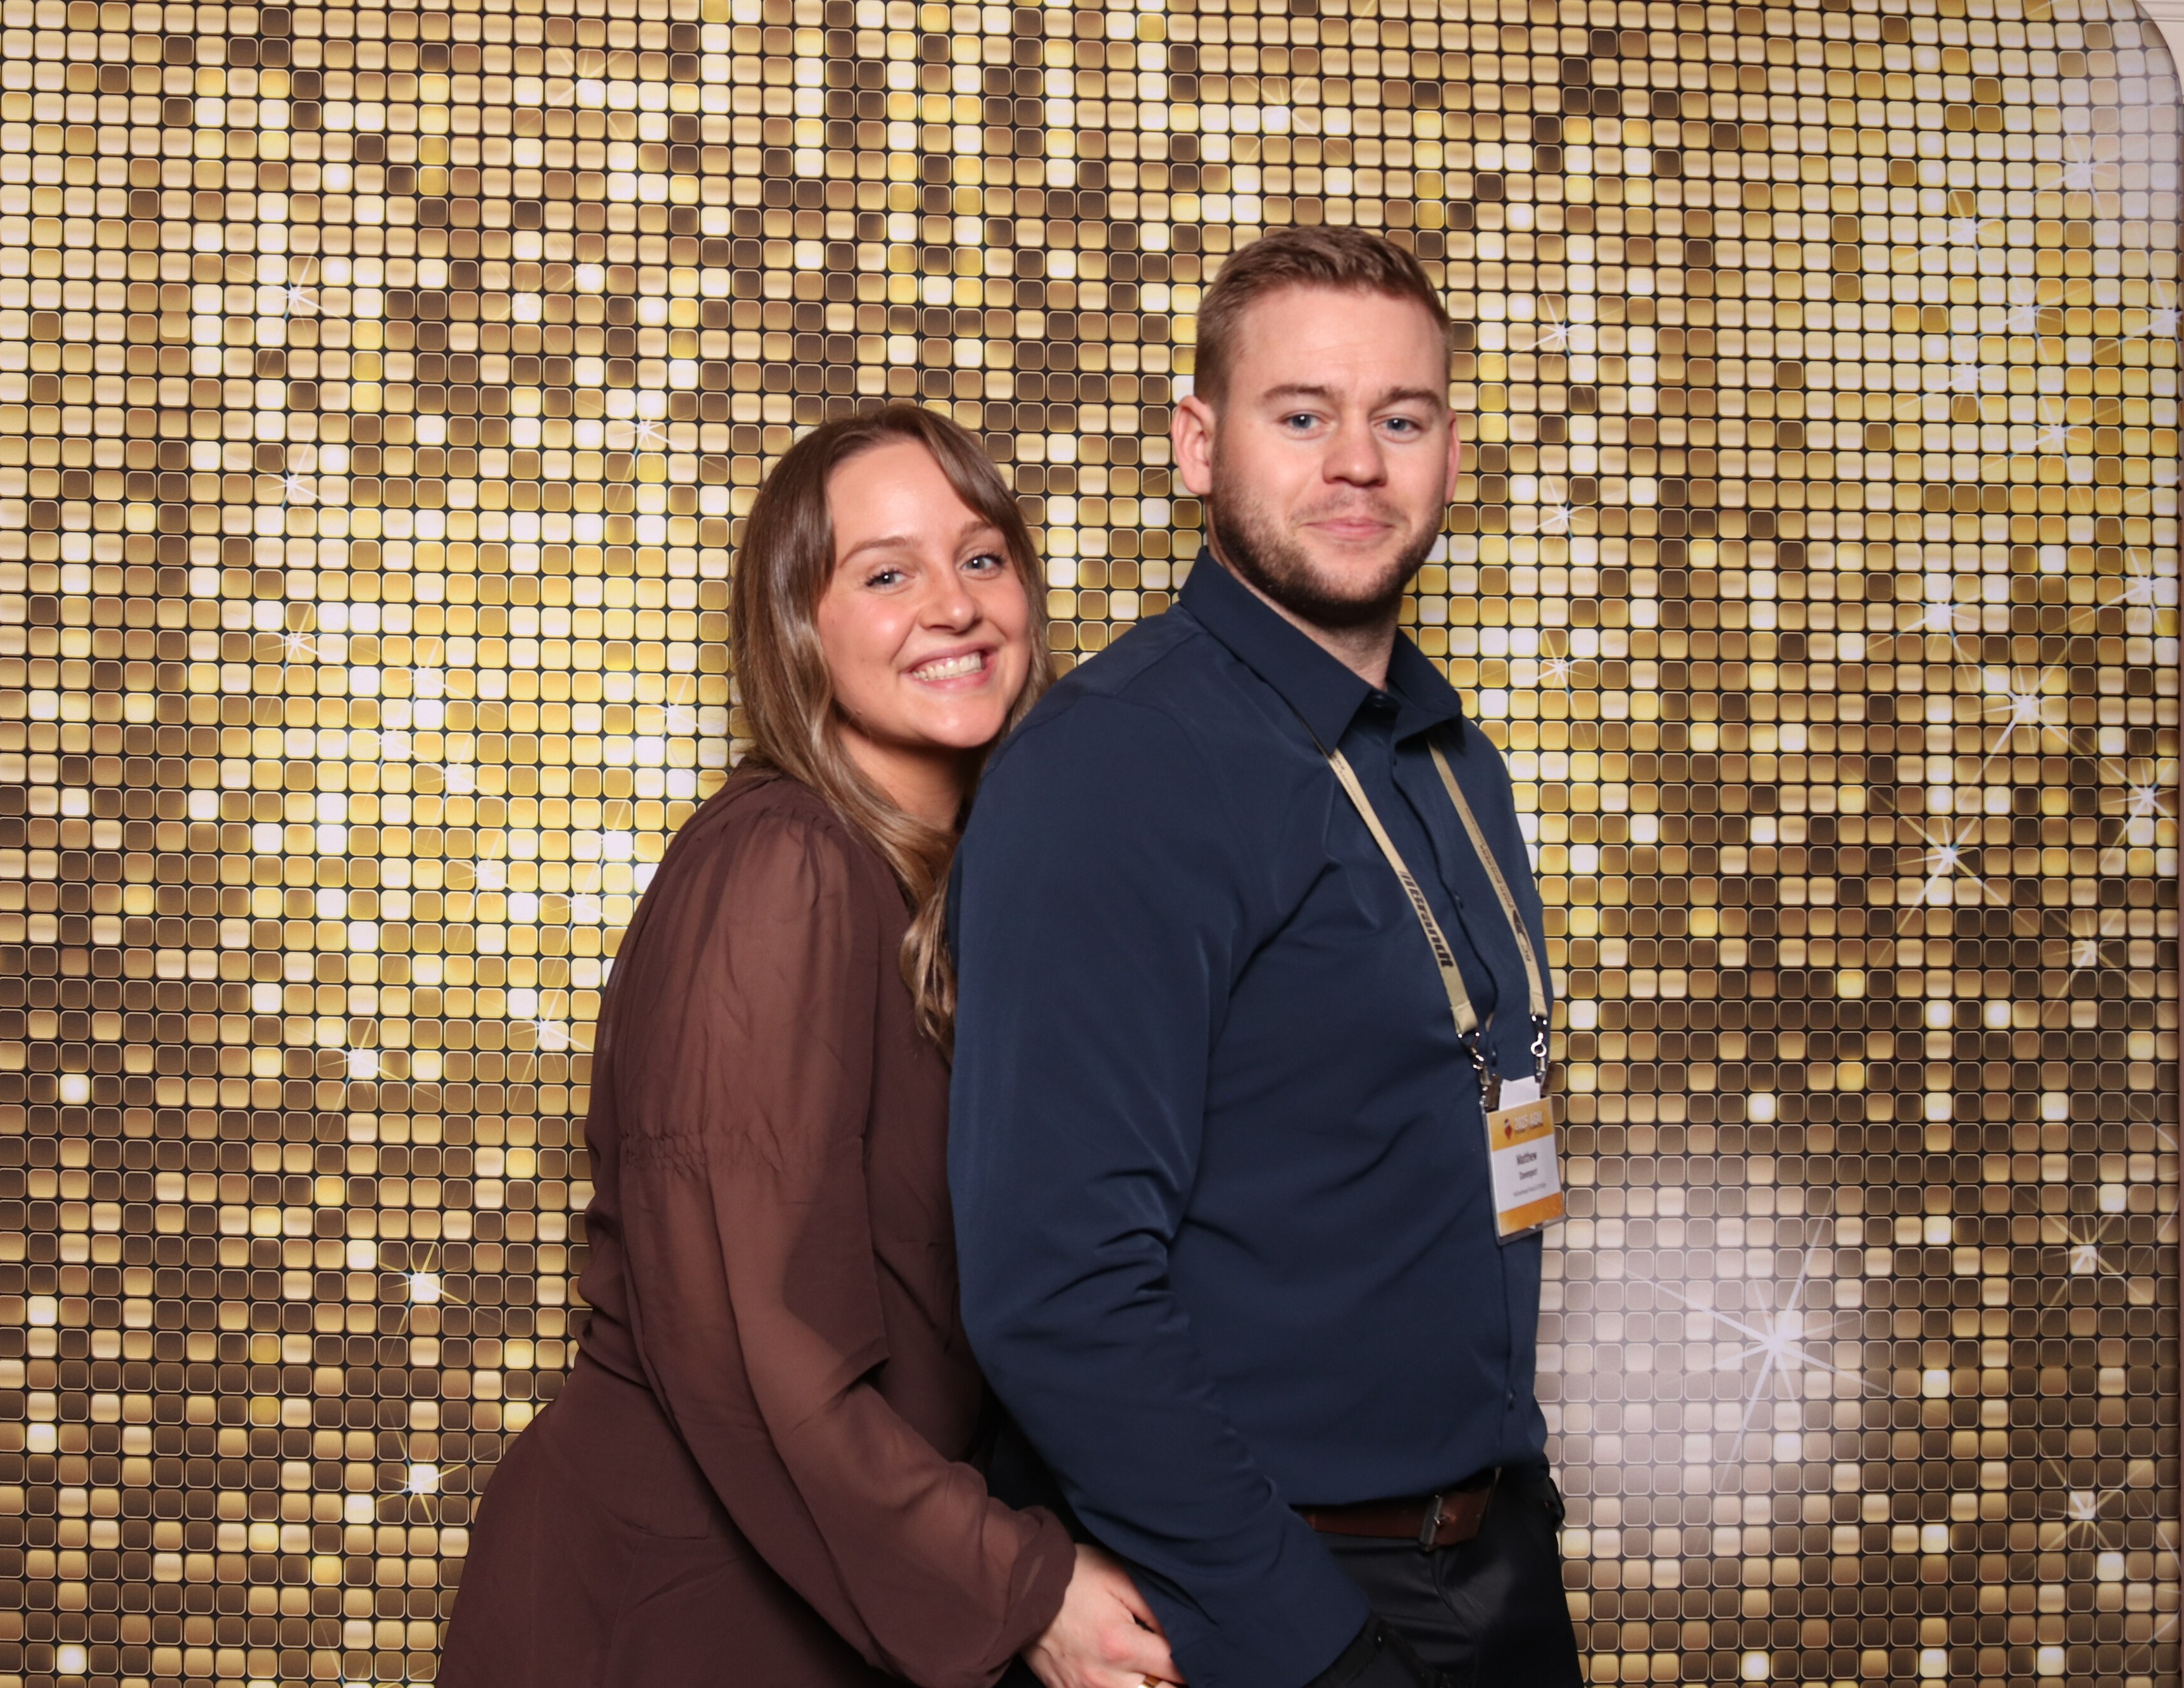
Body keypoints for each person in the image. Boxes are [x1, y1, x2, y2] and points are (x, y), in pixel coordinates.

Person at [435, 404, 1182, 1688]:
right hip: (683, 1604)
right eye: (886, 574)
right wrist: (1021, 1585)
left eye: (982, 557)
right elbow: (752, 1340)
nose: (954, 605)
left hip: (831, 1580)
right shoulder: (784, 866)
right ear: (798, 627)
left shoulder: (950, 887)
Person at [947, 229, 1584, 1688]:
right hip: (1278, 1599)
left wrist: (1515, 1506)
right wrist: (1304, 1639)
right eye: (1300, 415)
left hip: (1490, 1557)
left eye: (1399, 419)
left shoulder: (1450, 757)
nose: (1356, 461)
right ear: (1197, 443)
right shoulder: (1118, 767)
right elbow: (1055, 1288)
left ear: (1449, 453)